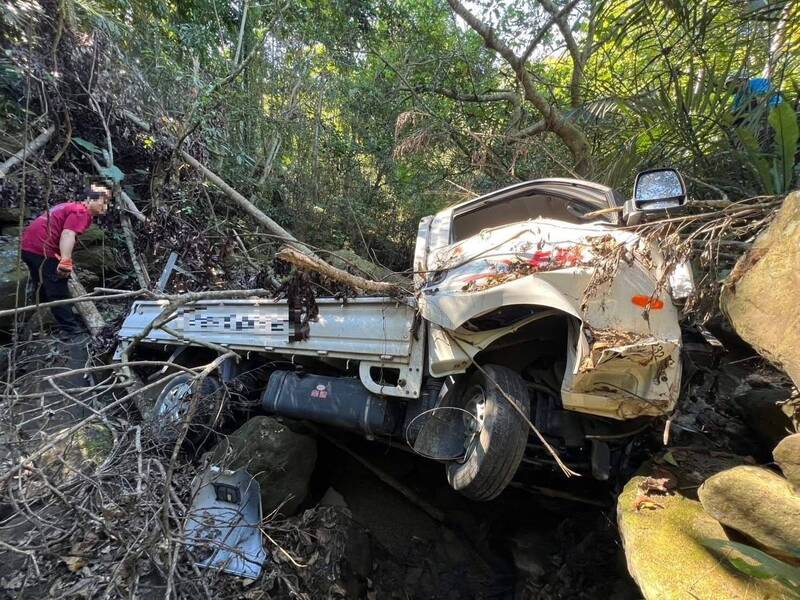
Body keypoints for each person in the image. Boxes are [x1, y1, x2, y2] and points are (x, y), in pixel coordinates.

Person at [20, 182, 111, 336]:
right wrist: (65, 260)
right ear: (90, 200)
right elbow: (68, 234)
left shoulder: (68, 206)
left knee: (43, 286)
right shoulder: (81, 212)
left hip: (29, 248)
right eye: (103, 202)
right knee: (58, 290)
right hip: (43, 250)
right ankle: (71, 330)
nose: (106, 207)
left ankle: (43, 323)